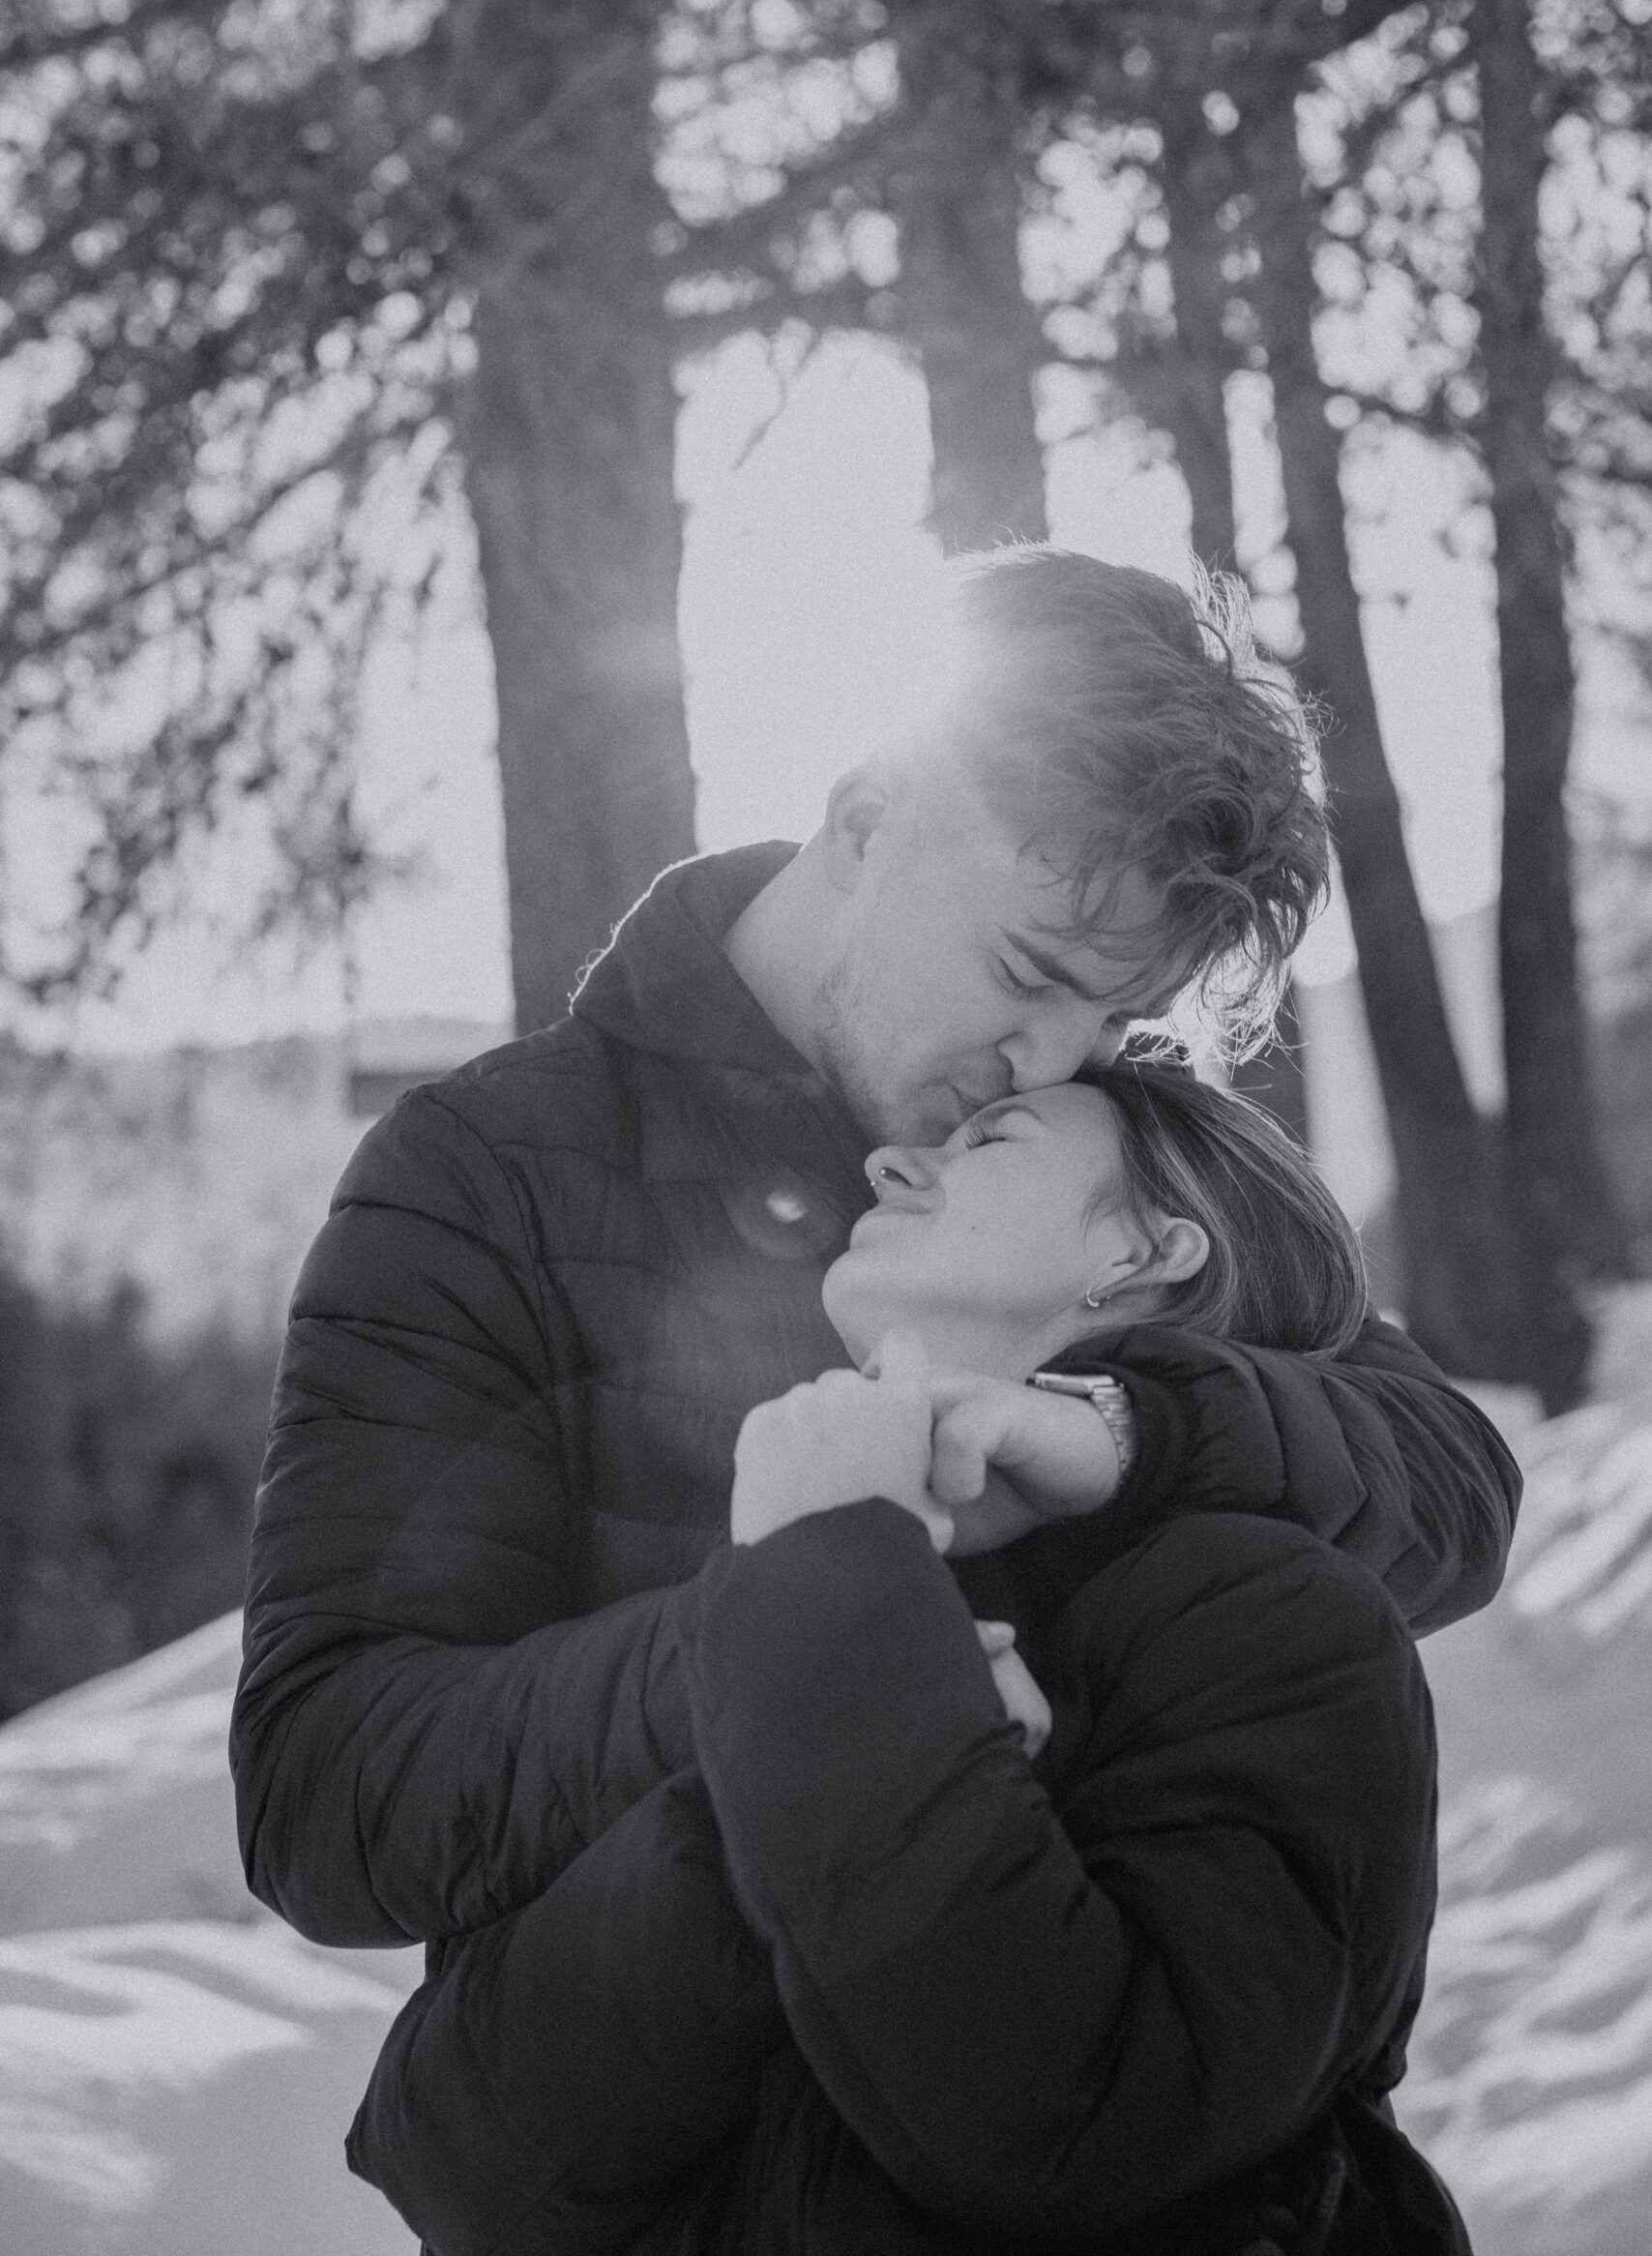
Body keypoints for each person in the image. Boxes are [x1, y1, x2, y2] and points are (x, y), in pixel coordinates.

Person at [230, 548, 1518, 1973]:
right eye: (1028, 972)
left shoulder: (1099, 1136)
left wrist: (1136, 1428)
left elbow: (1452, 1483)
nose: (1050, 1058)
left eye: (1112, 1016)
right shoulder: (480, 1177)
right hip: (660, 2147)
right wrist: (768, 1652)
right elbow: (324, 1789)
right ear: (865, 818)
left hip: (1112, 2123)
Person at [346, 1054, 1470, 2253]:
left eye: (993, 1141)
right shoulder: (778, 1611)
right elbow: (440, 2159)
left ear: (1148, 1249)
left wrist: (849, 1668)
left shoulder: (1273, 1616)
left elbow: (1084, 2130)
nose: (886, 1162)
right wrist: (782, 1781)